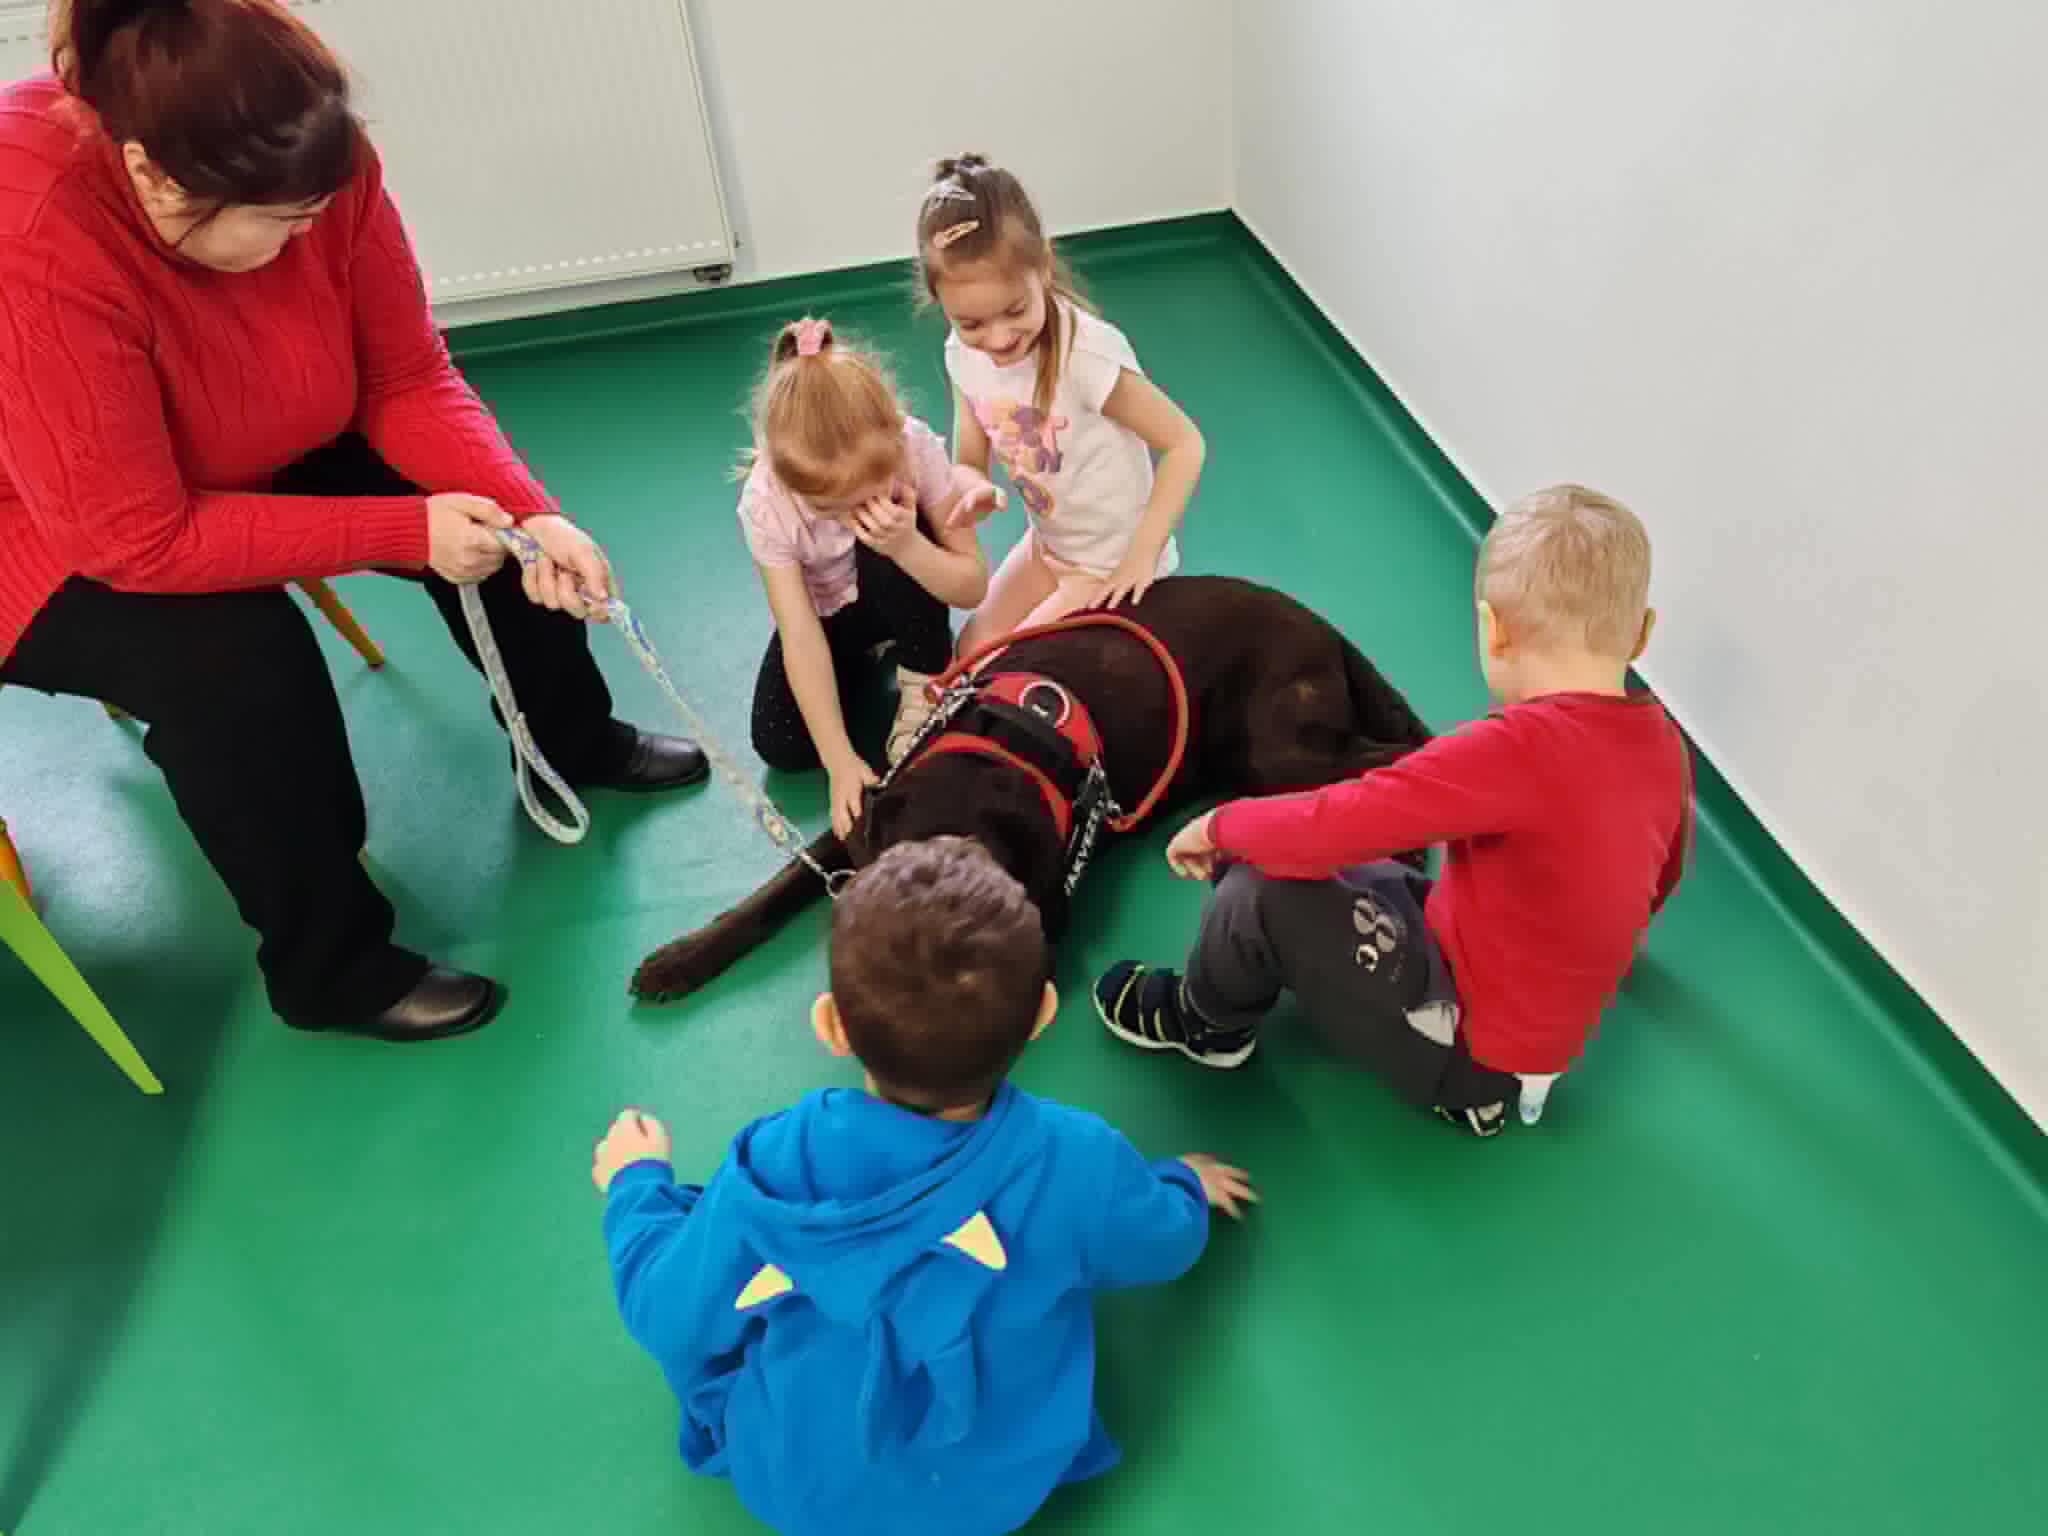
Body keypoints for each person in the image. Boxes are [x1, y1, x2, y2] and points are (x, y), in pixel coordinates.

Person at [0, 0, 707, 1043]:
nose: (310, 237)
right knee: (237, 663)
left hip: (234, 436)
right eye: (284, 223)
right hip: (45, 519)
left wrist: (531, 513)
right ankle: (330, 970)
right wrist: (404, 532)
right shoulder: (33, 230)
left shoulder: (308, 152)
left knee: (498, 534)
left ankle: (569, 737)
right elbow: (132, 538)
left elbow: (407, 375)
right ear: (156, 177)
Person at [593, 837, 1254, 1536]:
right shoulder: (1076, 1157)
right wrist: (1183, 1184)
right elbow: (1163, 1243)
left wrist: (638, 1185)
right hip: (995, 1495)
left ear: (830, 1025)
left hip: (796, 1491)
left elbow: (664, 1312)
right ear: (1042, 1014)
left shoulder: (770, 1166)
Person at [1094, 485, 1694, 1136]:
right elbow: (1659, 878)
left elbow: (1342, 820)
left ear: (1494, 629)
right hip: (1509, 1006)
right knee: (1337, 860)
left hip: (1466, 1048)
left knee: (1255, 888)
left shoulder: (1513, 750)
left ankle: (1206, 1024)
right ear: (1641, 633)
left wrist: (1221, 824)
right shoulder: (1662, 743)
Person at [914, 154, 1206, 654]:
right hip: (1048, 546)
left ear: (1044, 265)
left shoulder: (1085, 356)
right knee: (969, 654)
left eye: (1014, 310)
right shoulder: (962, 352)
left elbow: (1184, 444)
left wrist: (1141, 557)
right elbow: (970, 451)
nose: (998, 338)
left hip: (1108, 565)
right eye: (972, 323)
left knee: (1006, 669)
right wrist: (973, 484)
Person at [739, 317, 991, 838]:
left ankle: (924, 670)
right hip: (831, 617)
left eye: (869, 493)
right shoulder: (766, 501)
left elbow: (971, 586)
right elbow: (798, 631)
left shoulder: (914, 446)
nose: (851, 515)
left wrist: (906, 545)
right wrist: (839, 761)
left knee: (884, 540)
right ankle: (863, 659)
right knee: (780, 742)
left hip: (905, 587)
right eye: (831, 508)